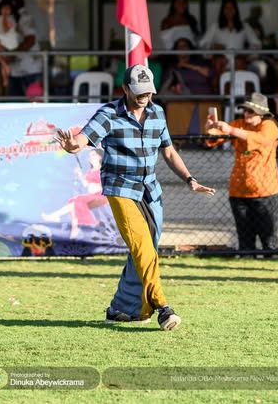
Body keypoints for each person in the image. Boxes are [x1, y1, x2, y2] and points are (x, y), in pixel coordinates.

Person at [53, 64, 216, 329]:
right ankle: (163, 307)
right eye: (139, 91)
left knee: (145, 249)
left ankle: (121, 308)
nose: (144, 97)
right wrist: (74, 146)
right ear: (125, 89)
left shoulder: (157, 113)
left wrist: (190, 179)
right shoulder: (108, 113)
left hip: (150, 190)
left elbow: (170, 152)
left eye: (148, 92)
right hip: (120, 190)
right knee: (143, 248)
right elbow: (84, 138)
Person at [205, 92, 278, 254]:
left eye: (250, 111)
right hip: (238, 191)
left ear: (261, 113)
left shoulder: (269, 126)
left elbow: (261, 139)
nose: (246, 114)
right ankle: (247, 259)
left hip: (265, 191)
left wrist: (230, 130)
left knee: (268, 237)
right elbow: (215, 138)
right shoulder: (239, 124)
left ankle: (271, 264)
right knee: (244, 238)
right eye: (245, 110)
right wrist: (211, 129)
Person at [158, 37, 219, 140]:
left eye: (185, 46)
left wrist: (187, 65)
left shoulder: (200, 62)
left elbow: (208, 73)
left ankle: (207, 139)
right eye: (179, 47)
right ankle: (177, 140)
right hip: (183, 96)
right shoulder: (173, 67)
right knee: (173, 106)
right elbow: (166, 86)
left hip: (204, 94)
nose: (182, 49)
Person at [42, 148, 106, 238]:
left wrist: (96, 186)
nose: (90, 158)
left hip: (100, 196)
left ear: (100, 157)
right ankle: (73, 232)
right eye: (90, 156)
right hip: (91, 195)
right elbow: (86, 184)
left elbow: (103, 185)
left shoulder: (102, 171)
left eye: (93, 155)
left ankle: (86, 222)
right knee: (73, 203)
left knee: (77, 201)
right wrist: (80, 174)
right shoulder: (90, 171)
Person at [0, 0, 43, 98]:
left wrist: (12, 52)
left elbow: (30, 40)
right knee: (14, 105)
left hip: (30, 68)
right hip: (14, 70)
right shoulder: (6, 17)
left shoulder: (24, 17)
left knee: (33, 105)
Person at [0, 0, 21, 88]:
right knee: (2, 63)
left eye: (7, 9)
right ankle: (5, 79)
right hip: (4, 42)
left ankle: (5, 67)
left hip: (8, 43)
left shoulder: (9, 18)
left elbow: (5, 29)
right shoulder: (0, 17)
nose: (5, 10)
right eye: (3, 9)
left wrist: (4, 18)